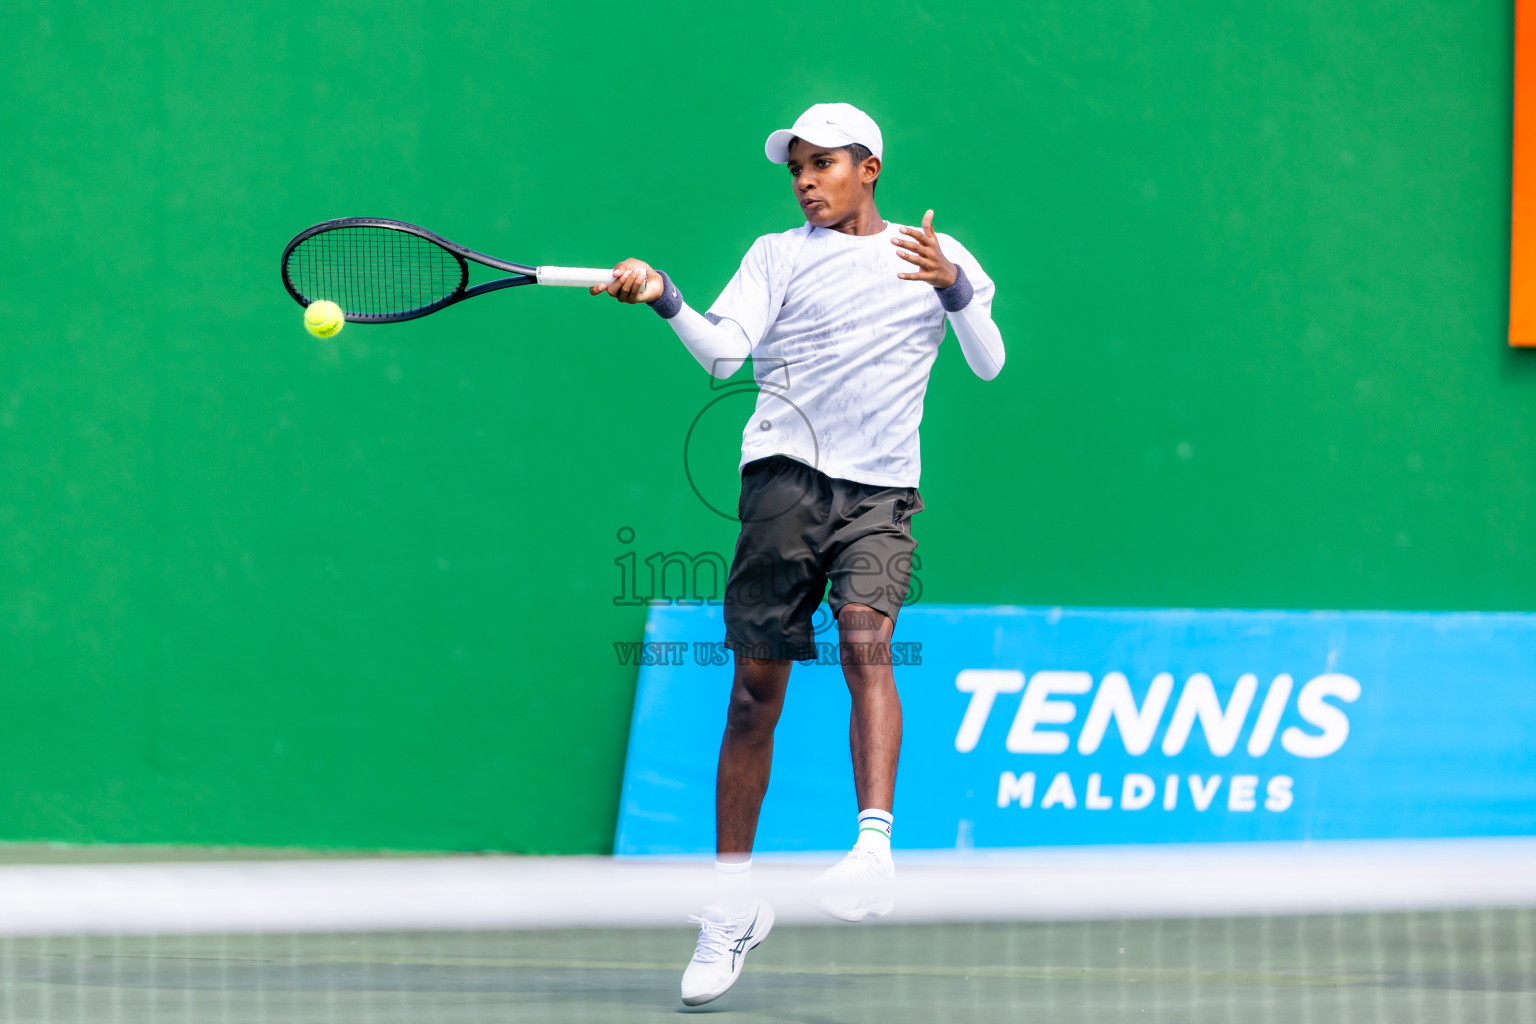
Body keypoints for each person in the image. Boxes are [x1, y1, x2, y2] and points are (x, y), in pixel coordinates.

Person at [591, 101, 1006, 1007]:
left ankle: (872, 849)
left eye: (824, 164)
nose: (808, 181)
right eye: (797, 168)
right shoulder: (776, 255)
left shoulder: (938, 257)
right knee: (753, 695)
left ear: (871, 169)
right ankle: (731, 906)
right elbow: (720, 357)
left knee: (867, 636)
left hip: (881, 491)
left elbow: (988, 363)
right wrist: (664, 296)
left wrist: (951, 288)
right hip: (783, 482)